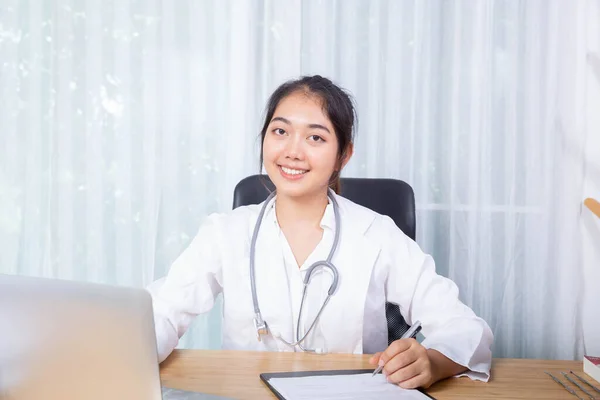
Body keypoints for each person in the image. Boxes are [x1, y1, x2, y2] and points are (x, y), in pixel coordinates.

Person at [147, 75, 493, 389]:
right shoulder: (225, 232)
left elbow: (465, 329)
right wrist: (132, 345)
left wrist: (431, 362)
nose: (292, 151)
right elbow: (161, 313)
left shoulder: (377, 234)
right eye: (280, 131)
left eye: (315, 137)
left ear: (343, 155)